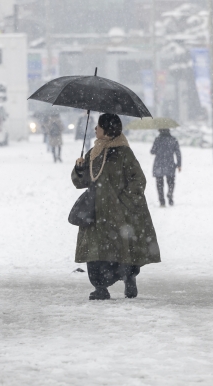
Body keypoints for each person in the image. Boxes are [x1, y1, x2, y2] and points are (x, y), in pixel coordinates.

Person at [72, 113, 161, 300]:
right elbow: (82, 182)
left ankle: (129, 278)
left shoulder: (123, 152)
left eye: (99, 126)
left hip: (119, 214)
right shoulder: (94, 152)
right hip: (96, 212)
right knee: (95, 251)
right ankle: (100, 287)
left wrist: (123, 202)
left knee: (120, 249)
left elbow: (139, 180)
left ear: (108, 130)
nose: (96, 129)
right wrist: (80, 168)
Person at [151, 129, 182, 207]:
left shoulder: (157, 139)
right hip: (170, 164)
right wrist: (179, 164)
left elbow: (152, 151)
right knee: (171, 182)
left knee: (159, 184)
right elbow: (178, 153)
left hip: (159, 164)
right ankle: (170, 194)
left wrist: (158, 149)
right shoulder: (173, 139)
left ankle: (162, 201)